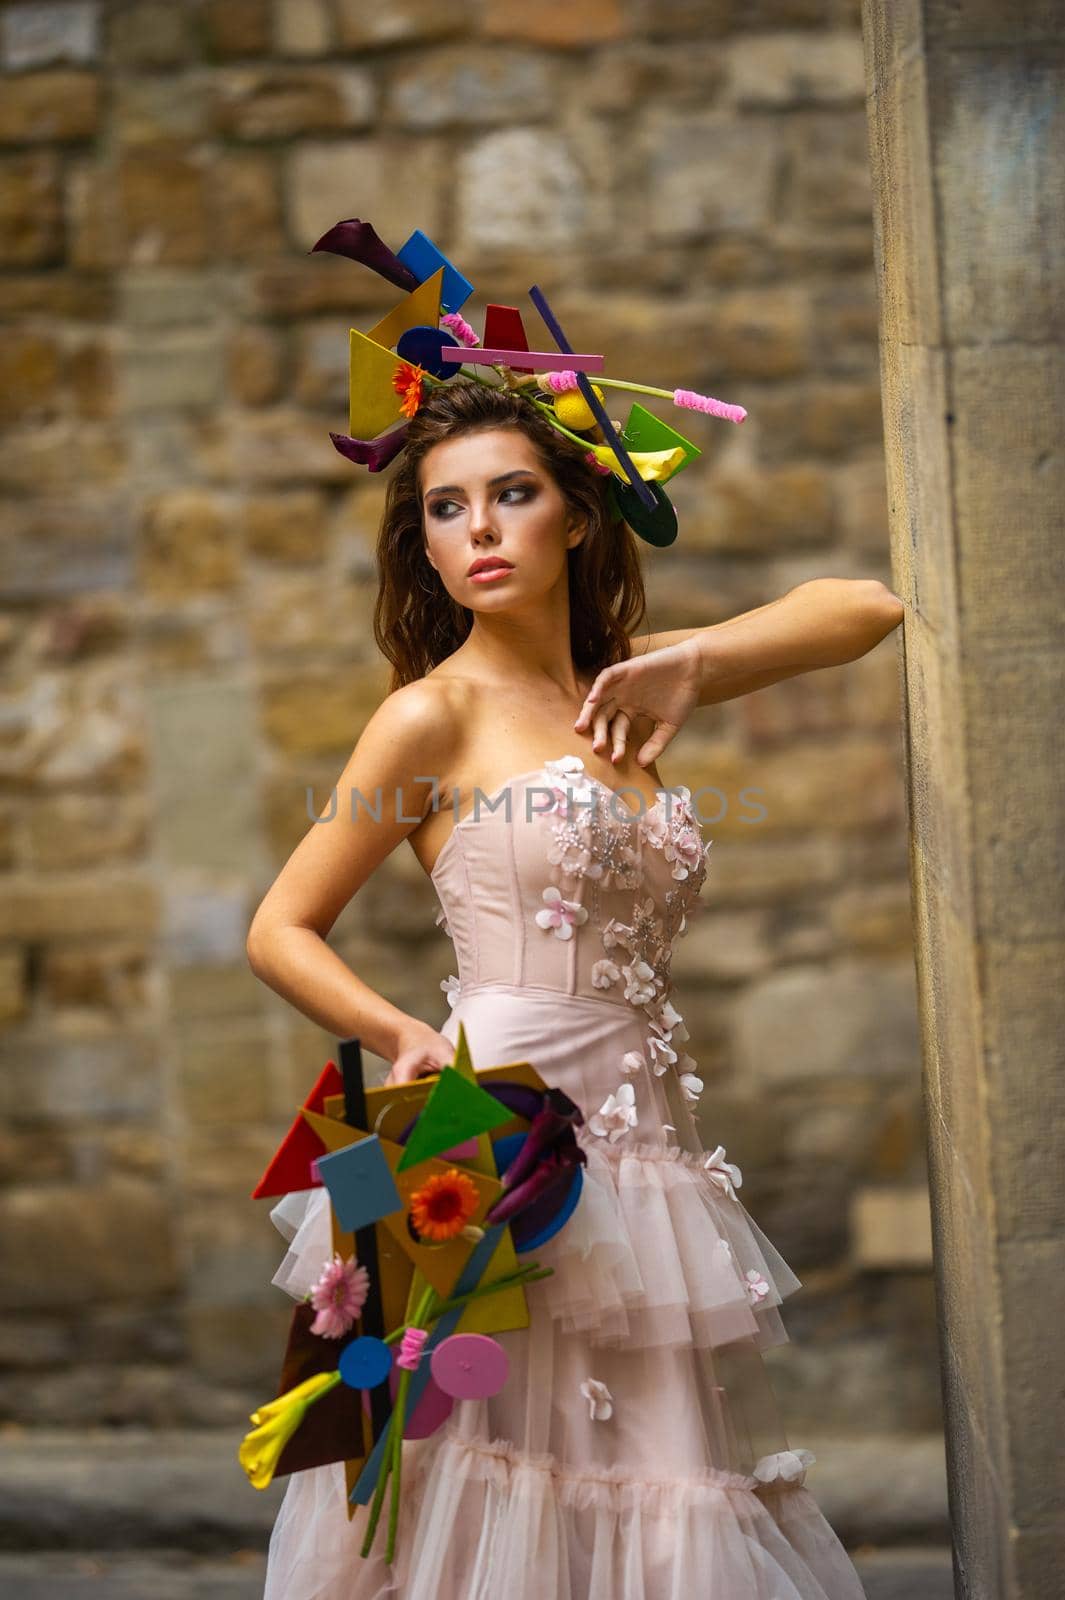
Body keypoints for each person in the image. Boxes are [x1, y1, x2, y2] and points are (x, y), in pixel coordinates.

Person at [246, 375, 904, 1597]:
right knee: (487, 1475)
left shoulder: (627, 689)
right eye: (447, 509)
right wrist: (401, 1034)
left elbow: (866, 605)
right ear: (425, 547)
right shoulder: (426, 718)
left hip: (650, 1159)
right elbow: (282, 926)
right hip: (496, 1134)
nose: (481, 529)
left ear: (579, 516)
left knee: (659, 1485)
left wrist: (692, 662)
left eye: (512, 493)